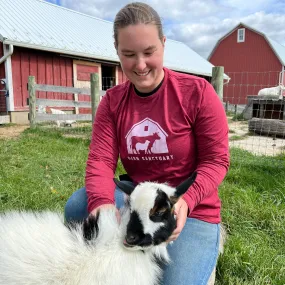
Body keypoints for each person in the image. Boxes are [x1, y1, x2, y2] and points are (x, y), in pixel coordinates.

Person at [65, 2, 229, 284]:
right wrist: (102, 203)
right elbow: (101, 161)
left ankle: (204, 248)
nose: (140, 65)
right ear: (117, 52)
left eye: (149, 52)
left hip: (191, 208)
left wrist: (186, 202)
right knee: (79, 205)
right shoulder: (113, 103)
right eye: (129, 54)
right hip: (139, 202)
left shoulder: (197, 93)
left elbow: (216, 161)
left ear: (163, 44)